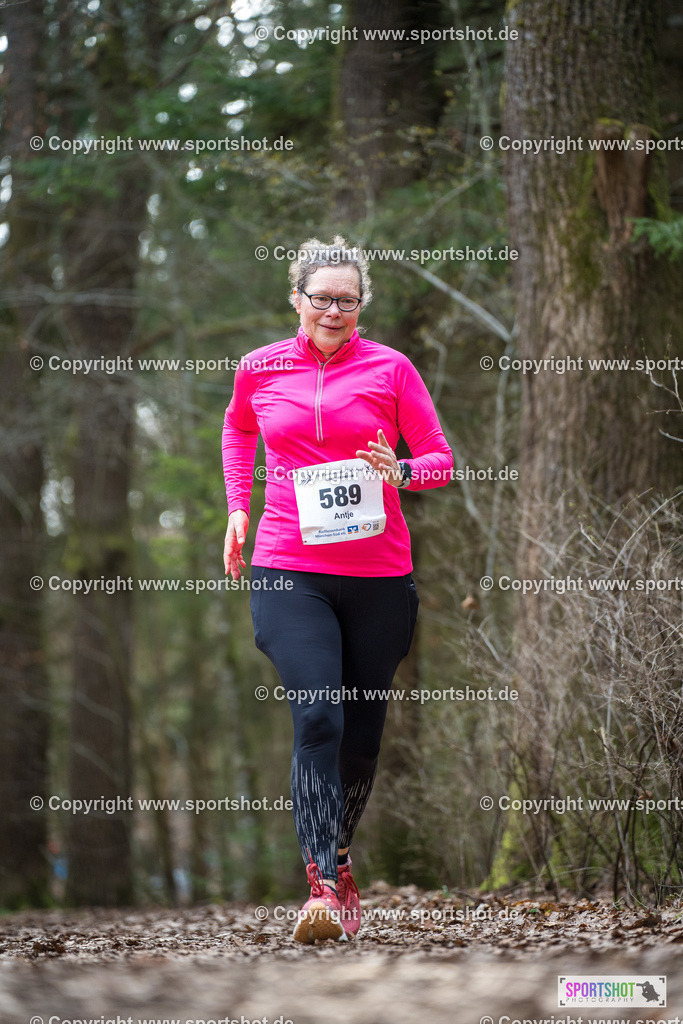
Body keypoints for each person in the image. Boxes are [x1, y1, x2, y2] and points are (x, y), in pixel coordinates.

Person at [222, 236, 453, 943]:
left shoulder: (391, 368)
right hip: (289, 566)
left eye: (345, 300)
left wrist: (401, 471)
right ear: (295, 297)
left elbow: (438, 460)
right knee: (318, 716)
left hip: (379, 576)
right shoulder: (260, 368)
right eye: (320, 297)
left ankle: (341, 855)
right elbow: (238, 431)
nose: (332, 310)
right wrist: (237, 506)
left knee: (360, 738)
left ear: (361, 304)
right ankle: (321, 883)